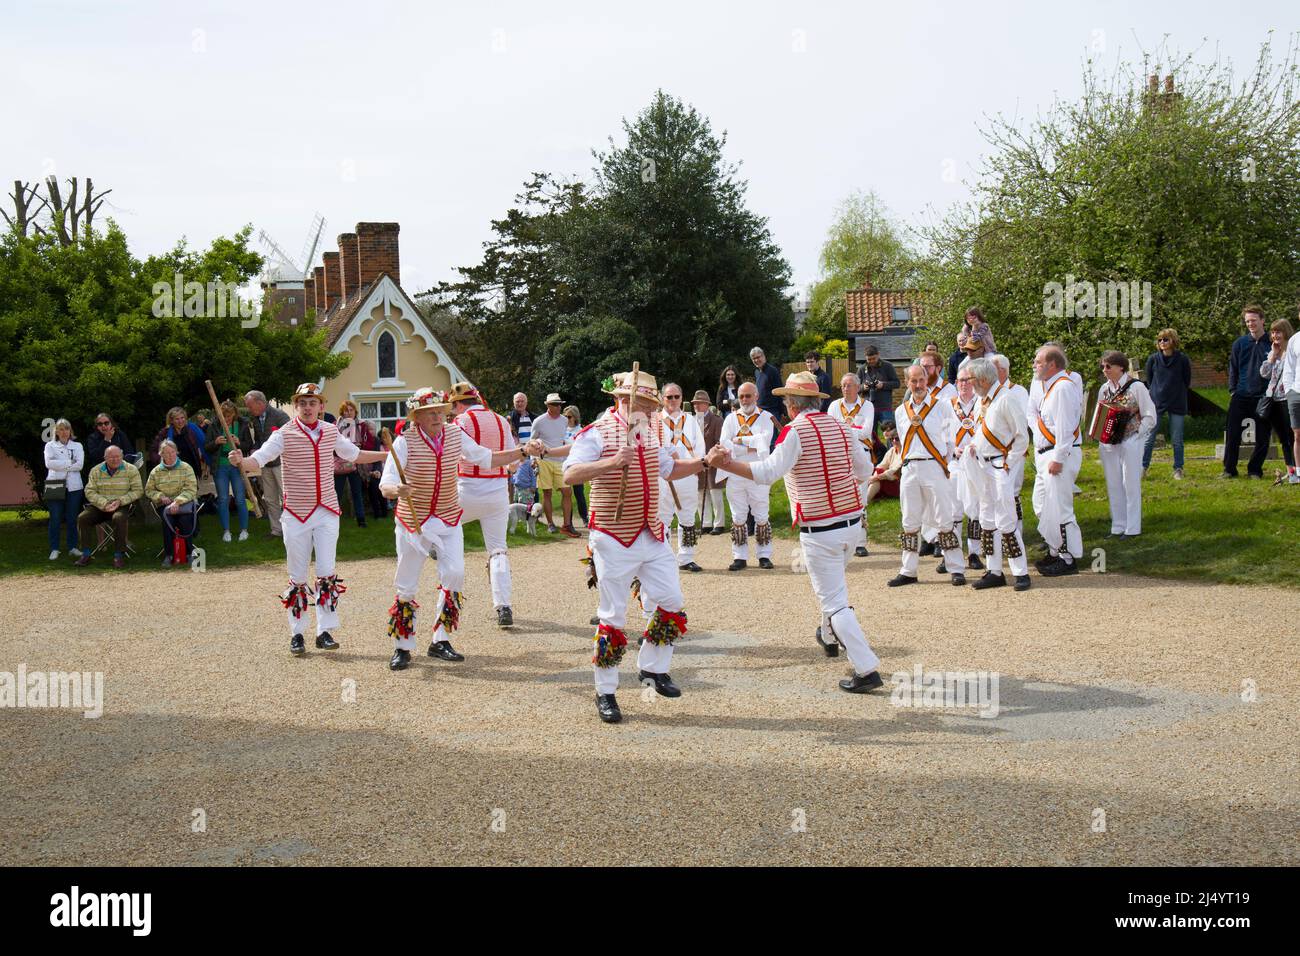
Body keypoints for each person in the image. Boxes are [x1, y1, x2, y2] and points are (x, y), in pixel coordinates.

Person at [707, 371, 883, 694]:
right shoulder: (842, 426)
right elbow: (865, 471)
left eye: (786, 400)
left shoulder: (794, 431)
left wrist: (727, 464)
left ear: (791, 405)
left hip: (820, 528)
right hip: (851, 524)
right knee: (834, 589)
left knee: (834, 600)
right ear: (816, 401)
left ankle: (866, 666)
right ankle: (829, 636)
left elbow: (767, 472)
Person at [562, 369, 708, 723]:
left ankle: (652, 669)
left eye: (651, 403)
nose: (649, 408)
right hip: (612, 536)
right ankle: (606, 691)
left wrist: (705, 462)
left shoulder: (652, 429)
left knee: (672, 601)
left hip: (651, 531)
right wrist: (611, 462)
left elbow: (670, 469)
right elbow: (569, 474)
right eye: (642, 402)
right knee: (613, 615)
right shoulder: (597, 431)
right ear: (620, 399)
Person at [380, 388, 541, 670]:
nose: (437, 416)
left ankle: (440, 640)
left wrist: (523, 450)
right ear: (416, 416)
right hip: (412, 520)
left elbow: (486, 458)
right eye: (430, 412)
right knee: (406, 582)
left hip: (448, 517)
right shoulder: (405, 443)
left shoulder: (455, 434)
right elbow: (386, 483)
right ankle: (402, 646)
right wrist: (397, 490)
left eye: (441, 410)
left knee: (454, 574)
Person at [230, 383, 388, 657]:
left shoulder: (330, 431)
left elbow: (355, 455)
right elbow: (260, 459)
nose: (307, 407)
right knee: (298, 575)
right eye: (302, 402)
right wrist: (241, 461)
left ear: (321, 406)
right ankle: (297, 633)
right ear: (296, 405)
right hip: (296, 513)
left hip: (327, 511)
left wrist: (389, 454)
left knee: (326, 572)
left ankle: (324, 631)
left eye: (312, 402)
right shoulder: (284, 434)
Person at [451, 382, 522, 627]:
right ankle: (504, 606)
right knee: (498, 549)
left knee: (442, 526)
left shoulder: (460, 423)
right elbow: (514, 464)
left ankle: (447, 587)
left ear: (459, 404)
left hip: (467, 487)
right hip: (498, 491)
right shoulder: (502, 421)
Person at [889, 364, 966, 587]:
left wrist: (947, 465)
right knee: (909, 520)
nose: (918, 385)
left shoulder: (942, 407)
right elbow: (903, 442)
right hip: (910, 468)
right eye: (913, 381)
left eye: (921, 380)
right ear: (907, 382)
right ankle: (908, 570)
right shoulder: (901, 411)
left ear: (927, 379)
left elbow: (951, 440)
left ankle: (956, 568)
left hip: (935, 467)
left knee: (944, 517)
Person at [961, 357, 1031, 591]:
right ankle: (994, 571)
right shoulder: (984, 400)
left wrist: (1007, 463)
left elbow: (1022, 436)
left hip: (999, 466)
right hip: (982, 465)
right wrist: (973, 447)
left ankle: (1021, 572)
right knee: (987, 517)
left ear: (981, 379)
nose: (968, 383)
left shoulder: (1006, 399)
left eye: (970, 378)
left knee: (1006, 517)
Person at [1030, 344, 1085, 576]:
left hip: (1059, 454)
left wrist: (1059, 458)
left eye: (1038, 361)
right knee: (1042, 505)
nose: (1034, 365)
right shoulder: (1050, 387)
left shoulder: (1063, 388)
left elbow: (1065, 427)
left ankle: (1068, 558)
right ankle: (1055, 551)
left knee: (1061, 508)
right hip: (1047, 454)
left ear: (1052, 365)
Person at [1096, 351, 1157, 538]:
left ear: (1120, 367)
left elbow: (1150, 415)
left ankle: (1133, 528)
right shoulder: (1104, 389)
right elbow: (1100, 415)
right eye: (1103, 367)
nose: (1105, 370)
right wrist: (1100, 435)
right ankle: (1118, 526)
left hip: (1131, 440)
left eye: (1108, 366)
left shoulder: (1136, 386)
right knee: (1113, 484)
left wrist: (1137, 435)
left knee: (1129, 483)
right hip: (1109, 443)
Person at [719, 381, 778, 571]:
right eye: (742, 396)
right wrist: (752, 444)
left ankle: (764, 555)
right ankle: (739, 557)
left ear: (757, 396)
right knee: (738, 515)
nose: (744, 400)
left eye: (748, 396)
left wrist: (738, 441)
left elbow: (765, 441)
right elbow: (724, 443)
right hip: (735, 470)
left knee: (761, 514)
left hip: (758, 471)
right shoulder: (730, 418)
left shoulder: (766, 417)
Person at [657, 383, 706, 572]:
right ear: (663, 399)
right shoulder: (656, 420)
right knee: (663, 517)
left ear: (681, 398)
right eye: (669, 397)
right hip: (664, 476)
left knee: (687, 517)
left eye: (676, 397)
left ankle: (686, 558)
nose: (673, 400)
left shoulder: (691, 420)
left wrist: (697, 466)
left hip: (687, 474)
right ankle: (664, 557)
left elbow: (699, 445)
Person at [827, 372, 874, 557]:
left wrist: (844, 431)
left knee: (861, 497)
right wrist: (853, 431)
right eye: (843, 385)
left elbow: (867, 431)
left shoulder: (867, 405)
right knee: (840, 498)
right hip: (839, 455)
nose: (846, 389)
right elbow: (830, 431)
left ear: (858, 387)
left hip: (861, 454)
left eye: (849, 385)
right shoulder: (833, 406)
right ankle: (842, 540)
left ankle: (860, 542)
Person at [1222, 306, 1272, 479]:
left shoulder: (1272, 343)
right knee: (1233, 434)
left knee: (1263, 438)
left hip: (1263, 397)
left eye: (1253, 320)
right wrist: (1233, 390)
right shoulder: (1240, 344)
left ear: (1262, 320)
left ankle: (1255, 470)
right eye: (1247, 321)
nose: (1251, 324)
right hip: (1241, 396)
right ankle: (1229, 470)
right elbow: (1233, 369)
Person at [74, 445, 143, 568]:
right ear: (105, 458)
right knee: (82, 518)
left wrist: (120, 501)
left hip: (122, 505)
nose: (115, 459)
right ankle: (86, 554)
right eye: (111, 457)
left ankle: (119, 555)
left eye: (118, 457)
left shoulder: (131, 469)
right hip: (101, 506)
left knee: (119, 518)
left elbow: (138, 491)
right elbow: (89, 491)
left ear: (122, 456)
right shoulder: (96, 470)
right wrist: (103, 504)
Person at [943, 364, 983, 572]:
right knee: (954, 509)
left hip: (976, 463)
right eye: (960, 380)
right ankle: (951, 553)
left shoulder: (982, 403)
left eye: (968, 380)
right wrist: (952, 449)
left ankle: (974, 553)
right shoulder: (947, 405)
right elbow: (942, 434)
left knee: (975, 509)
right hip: (955, 462)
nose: (964, 384)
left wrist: (976, 446)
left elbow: (986, 430)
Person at [1142, 329, 1192, 480]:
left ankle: (1178, 468)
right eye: (1160, 340)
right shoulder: (1153, 359)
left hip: (1177, 401)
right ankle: (1143, 467)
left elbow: (1186, 380)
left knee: (1177, 438)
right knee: (1149, 437)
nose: (1162, 343)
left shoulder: (1182, 359)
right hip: (1156, 402)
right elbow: (1149, 380)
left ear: (1173, 341)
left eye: (1166, 339)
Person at [990, 353, 1030, 535]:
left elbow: (1020, 423)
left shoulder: (1018, 391)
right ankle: (998, 532)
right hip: (991, 451)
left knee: (1012, 492)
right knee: (994, 493)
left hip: (1012, 449)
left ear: (1003, 370)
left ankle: (1016, 533)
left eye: (992, 369)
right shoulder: (988, 392)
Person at [530, 393, 579, 536]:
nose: (559, 407)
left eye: (559, 404)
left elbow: (568, 437)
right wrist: (533, 459)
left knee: (567, 492)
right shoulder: (539, 421)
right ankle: (550, 524)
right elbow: (532, 442)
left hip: (561, 461)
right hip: (543, 460)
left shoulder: (565, 420)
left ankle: (567, 525)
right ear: (548, 406)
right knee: (547, 493)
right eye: (555, 404)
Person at [244, 390, 291, 538]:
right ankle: (276, 530)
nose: (249, 409)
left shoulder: (280, 416)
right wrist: (255, 449)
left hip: (281, 464)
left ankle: (292, 530)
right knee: (270, 499)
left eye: (250, 406)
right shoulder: (256, 419)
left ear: (260, 403)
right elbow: (259, 440)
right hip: (266, 466)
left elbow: (289, 440)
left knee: (288, 498)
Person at [205, 399, 253, 543]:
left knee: (240, 499)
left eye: (230, 416)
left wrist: (239, 442)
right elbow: (207, 447)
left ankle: (244, 530)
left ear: (234, 414)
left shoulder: (242, 424)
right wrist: (216, 442)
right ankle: (226, 531)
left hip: (237, 466)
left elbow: (248, 445)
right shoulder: (214, 425)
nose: (227, 419)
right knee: (223, 499)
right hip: (220, 466)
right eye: (224, 416)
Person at [146, 439, 198, 566]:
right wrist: (160, 496)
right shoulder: (155, 471)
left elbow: (191, 489)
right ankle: (169, 555)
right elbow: (149, 490)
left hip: (184, 502)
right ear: (161, 454)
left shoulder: (186, 468)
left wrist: (177, 502)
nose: (170, 455)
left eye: (172, 452)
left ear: (177, 452)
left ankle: (189, 553)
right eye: (166, 453)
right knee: (168, 520)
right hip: (164, 504)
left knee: (184, 520)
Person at [1258, 319, 1298, 482]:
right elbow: (1264, 373)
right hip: (1272, 399)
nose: (1275, 335)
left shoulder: (1292, 351)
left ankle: (1297, 470)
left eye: (1278, 332)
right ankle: (1291, 471)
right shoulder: (1273, 351)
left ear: (1286, 332)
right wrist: (1273, 356)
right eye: (1273, 332)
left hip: (1287, 398)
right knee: (1284, 440)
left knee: (1293, 437)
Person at [44, 418, 85, 561]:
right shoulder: (50, 446)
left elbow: (79, 465)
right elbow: (49, 463)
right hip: (55, 485)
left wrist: (60, 464)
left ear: (70, 431)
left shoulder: (77, 446)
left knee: (72, 518)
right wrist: (69, 463)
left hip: (74, 487)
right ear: (56, 431)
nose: (64, 432)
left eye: (66, 429)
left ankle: (72, 547)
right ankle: (54, 549)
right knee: (55, 518)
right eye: (61, 429)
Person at [692, 390, 727, 534]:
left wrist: (711, 457)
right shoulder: (691, 421)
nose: (696, 406)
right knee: (700, 494)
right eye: (694, 403)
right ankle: (705, 523)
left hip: (713, 462)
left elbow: (720, 442)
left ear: (707, 405)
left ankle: (719, 524)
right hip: (697, 462)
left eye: (699, 403)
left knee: (715, 493)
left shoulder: (717, 420)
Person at [333, 401, 370, 529]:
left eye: (351, 410)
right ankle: (333, 520)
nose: (348, 412)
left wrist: (358, 449)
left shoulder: (362, 425)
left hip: (356, 464)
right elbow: (332, 445)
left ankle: (361, 520)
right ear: (342, 412)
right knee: (336, 493)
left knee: (357, 492)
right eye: (346, 410)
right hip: (339, 464)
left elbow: (367, 442)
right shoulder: (335, 426)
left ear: (355, 412)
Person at [151, 407, 208, 476]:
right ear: (171, 421)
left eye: (182, 418)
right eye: (177, 419)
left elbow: (205, 444)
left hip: (191, 470)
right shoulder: (165, 433)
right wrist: (163, 461)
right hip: (174, 471)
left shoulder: (191, 430)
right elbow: (154, 451)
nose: (180, 421)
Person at [1280, 308, 1300, 484]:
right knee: (1297, 435)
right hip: (1296, 394)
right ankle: (1298, 474)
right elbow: (1289, 370)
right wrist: (1289, 392)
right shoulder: (1295, 340)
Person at [861, 345, 900, 426]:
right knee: (870, 435)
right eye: (869, 359)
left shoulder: (887, 366)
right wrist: (863, 387)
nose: (871, 361)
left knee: (890, 432)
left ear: (878, 354)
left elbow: (897, 383)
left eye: (874, 359)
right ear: (865, 357)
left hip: (885, 407)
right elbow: (855, 387)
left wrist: (883, 385)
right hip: (868, 408)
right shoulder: (862, 369)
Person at [563, 406, 588, 522]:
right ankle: (569, 521)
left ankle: (584, 517)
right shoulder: (562, 429)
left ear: (575, 417)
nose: (567, 419)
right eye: (565, 416)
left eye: (569, 417)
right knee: (566, 494)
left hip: (576, 464)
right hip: (563, 464)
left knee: (579, 493)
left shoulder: (580, 430)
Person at [866, 422, 903, 503]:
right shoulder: (892, 450)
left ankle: (864, 502)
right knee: (876, 471)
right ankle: (864, 500)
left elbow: (895, 471)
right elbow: (881, 465)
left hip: (900, 483)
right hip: (888, 479)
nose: (893, 441)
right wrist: (875, 476)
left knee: (877, 476)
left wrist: (875, 477)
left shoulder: (905, 452)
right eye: (891, 439)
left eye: (897, 439)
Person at [750, 347, 785, 428]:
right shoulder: (757, 372)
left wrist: (782, 411)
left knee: (772, 439)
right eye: (754, 358)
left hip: (772, 411)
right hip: (760, 410)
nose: (756, 360)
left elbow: (779, 391)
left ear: (764, 356)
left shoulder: (772, 371)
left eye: (758, 357)